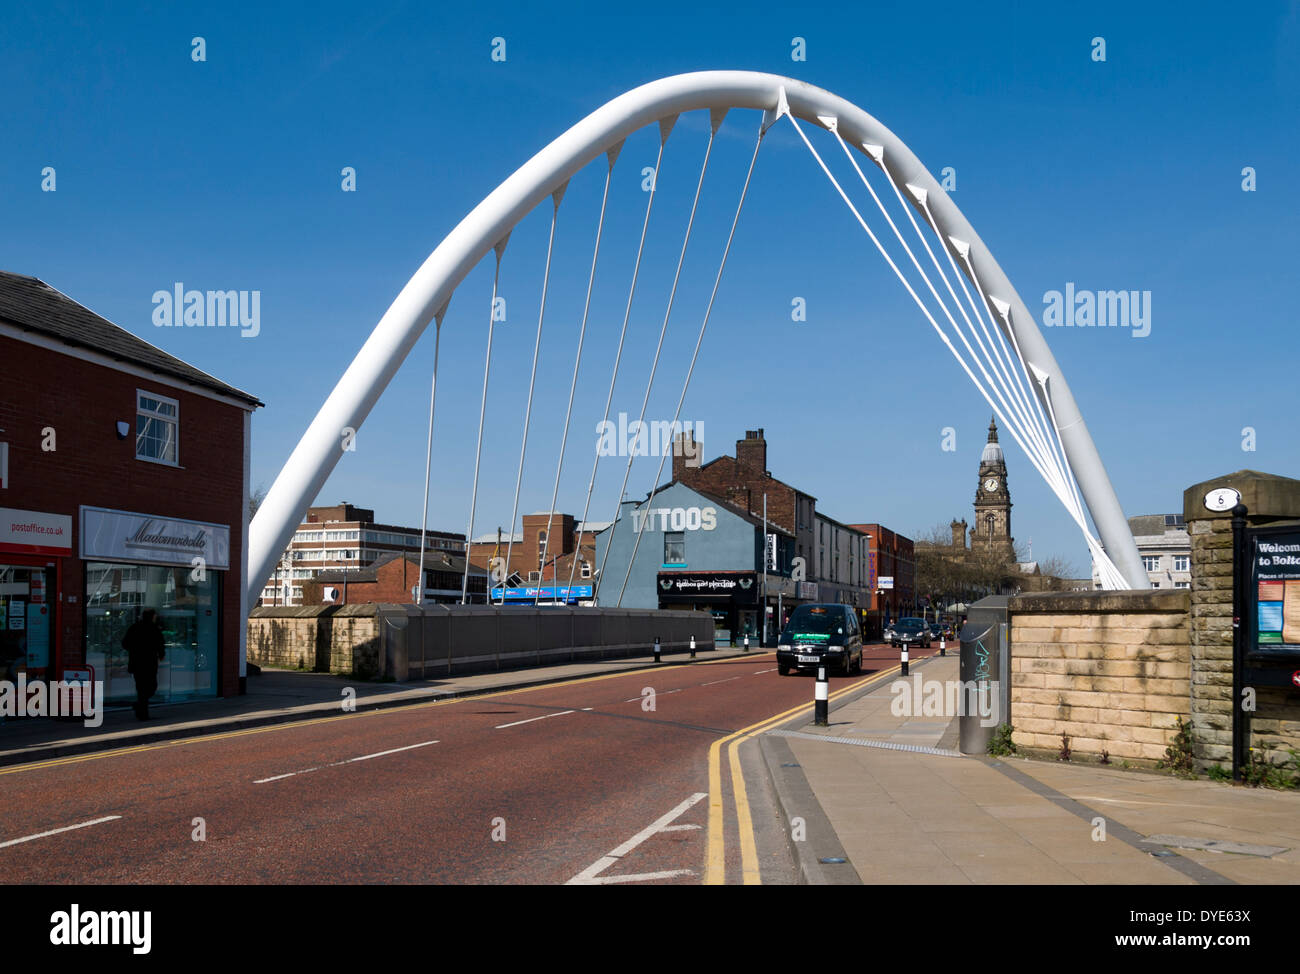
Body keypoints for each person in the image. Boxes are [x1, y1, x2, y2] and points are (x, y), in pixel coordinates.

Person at [122, 609, 165, 720]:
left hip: (137, 662)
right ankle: (142, 712)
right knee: (151, 687)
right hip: (149, 663)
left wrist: (134, 649)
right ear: (152, 617)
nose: (156, 618)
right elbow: (160, 643)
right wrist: (161, 654)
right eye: (155, 616)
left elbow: (125, 643)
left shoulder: (134, 628)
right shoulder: (154, 629)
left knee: (141, 688)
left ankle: (140, 708)